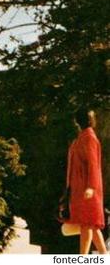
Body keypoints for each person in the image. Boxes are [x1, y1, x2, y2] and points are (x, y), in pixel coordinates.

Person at [66, 108, 107, 254]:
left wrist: (90, 187)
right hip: (81, 189)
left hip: (88, 189)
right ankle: (104, 256)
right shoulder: (82, 137)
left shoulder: (89, 137)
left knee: (87, 224)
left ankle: (82, 258)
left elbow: (93, 164)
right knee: (92, 226)